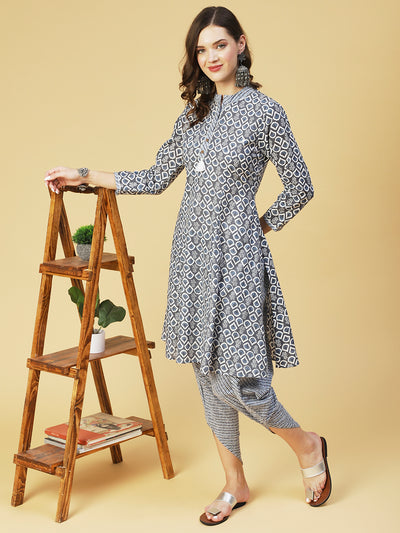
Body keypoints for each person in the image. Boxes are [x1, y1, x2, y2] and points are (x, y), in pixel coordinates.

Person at [45, 5, 331, 526]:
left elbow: (301, 186)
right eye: (201, 50)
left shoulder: (265, 111)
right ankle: (234, 483)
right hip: (191, 261)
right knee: (206, 373)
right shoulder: (193, 116)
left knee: (241, 381)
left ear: (241, 44)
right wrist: (83, 174)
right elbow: (155, 178)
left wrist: (257, 227)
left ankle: (307, 444)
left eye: (219, 45)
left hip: (237, 260)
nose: (211, 57)